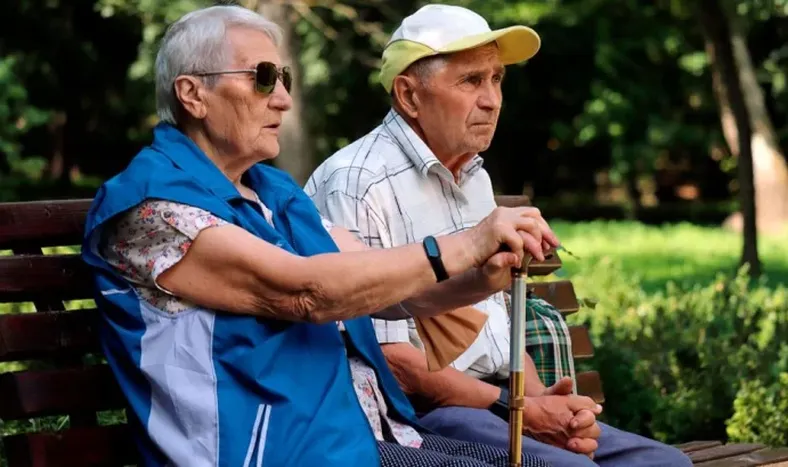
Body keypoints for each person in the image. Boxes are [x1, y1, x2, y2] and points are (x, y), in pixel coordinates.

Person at [79, 5, 567, 467]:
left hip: (351, 438)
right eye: (263, 78)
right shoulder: (152, 208)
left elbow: (391, 291)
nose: (284, 98)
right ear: (192, 95)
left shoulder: (271, 193)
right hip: (263, 451)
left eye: (284, 79)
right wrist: (465, 244)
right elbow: (304, 292)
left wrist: (483, 277)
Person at [305, 4, 693, 467]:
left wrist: (544, 404)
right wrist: (518, 410)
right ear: (409, 96)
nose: (492, 100)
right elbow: (394, 365)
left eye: (496, 80)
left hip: (500, 403)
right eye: (471, 81)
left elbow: (500, 320)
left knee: (667, 464)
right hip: (427, 418)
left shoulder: (474, 177)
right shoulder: (357, 182)